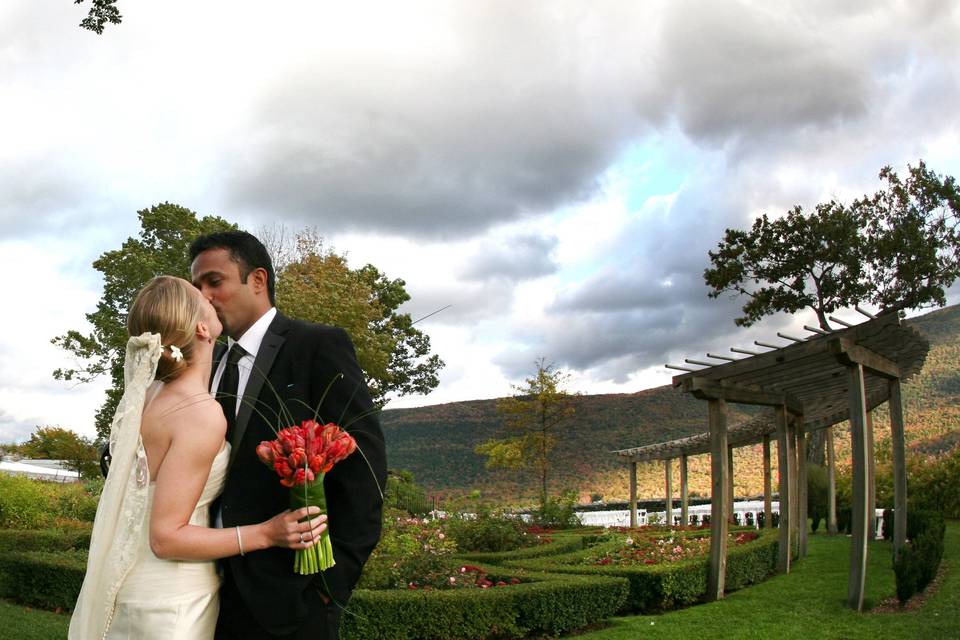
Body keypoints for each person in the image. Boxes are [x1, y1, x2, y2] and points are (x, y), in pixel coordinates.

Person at [70, 276, 328, 640]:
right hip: (172, 603)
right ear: (203, 327)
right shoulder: (199, 413)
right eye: (201, 297)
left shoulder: (147, 395)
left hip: (131, 585)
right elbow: (166, 538)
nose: (209, 297)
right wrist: (267, 533)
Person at [189, 231, 387, 640]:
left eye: (214, 281)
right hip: (203, 585)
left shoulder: (317, 345)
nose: (203, 297)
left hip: (292, 593)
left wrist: (329, 588)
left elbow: (364, 471)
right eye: (196, 287)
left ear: (257, 280)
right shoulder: (207, 361)